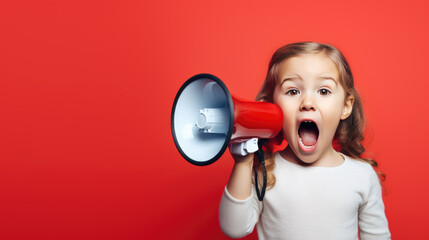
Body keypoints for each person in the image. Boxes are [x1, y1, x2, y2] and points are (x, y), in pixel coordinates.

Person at [219, 42, 391, 240]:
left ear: (345, 106)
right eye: (293, 91)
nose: (307, 103)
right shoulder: (265, 172)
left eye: (324, 91)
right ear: (271, 107)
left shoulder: (362, 176)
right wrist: (243, 162)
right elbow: (234, 228)